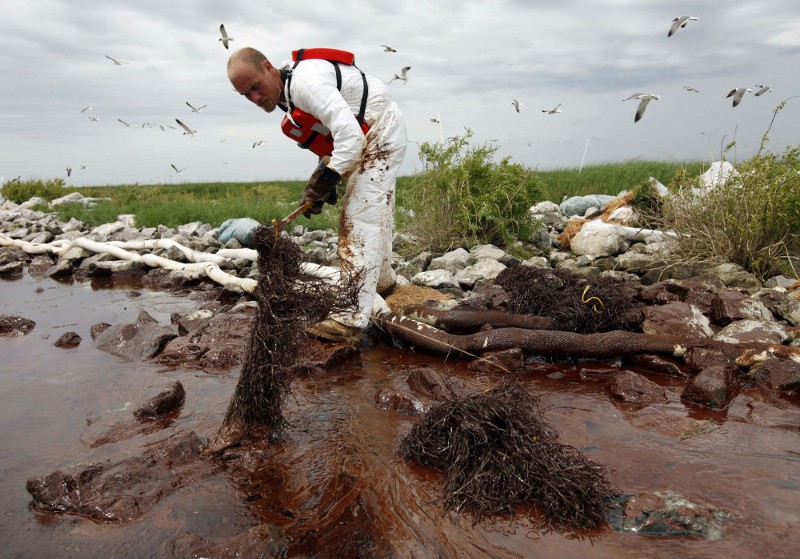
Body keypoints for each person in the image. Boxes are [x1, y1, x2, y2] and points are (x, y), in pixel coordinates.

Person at [227, 46, 407, 343]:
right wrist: (320, 179)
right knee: (376, 212)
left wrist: (328, 179)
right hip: (371, 131)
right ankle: (384, 283)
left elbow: (350, 136)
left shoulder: (305, 83)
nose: (255, 98)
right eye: (246, 95)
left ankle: (350, 318)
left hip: (381, 128)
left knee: (359, 220)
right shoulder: (288, 96)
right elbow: (334, 137)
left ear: (268, 67)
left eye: (256, 87)